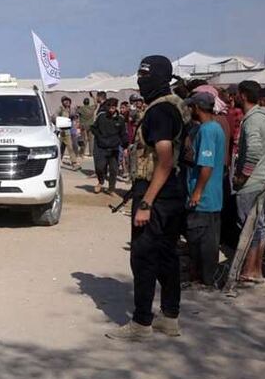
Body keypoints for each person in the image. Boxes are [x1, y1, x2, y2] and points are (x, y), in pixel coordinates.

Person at [107, 55, 186, 341]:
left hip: (156, 192)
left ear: (160, 78)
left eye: (145, 76)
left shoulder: (160, 112)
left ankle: (141, 323)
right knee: (167, 256)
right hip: (172, 192)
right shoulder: (174, 105)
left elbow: (163, 160)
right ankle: (170, 317)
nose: (141, 81)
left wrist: (146, 203)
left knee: (143, 258)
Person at [232, 80, 265, 283]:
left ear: (242, 95)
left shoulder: (252, 121)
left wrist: (242, 177)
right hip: (264, 181)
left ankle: (249, 270)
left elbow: (253, 152)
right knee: (260, 227)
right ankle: (256, 271)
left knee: (249, 227)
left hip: (251, 184)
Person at [183, 91, 227, 289]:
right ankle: (203, 276)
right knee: (207, 239)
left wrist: (197, 192)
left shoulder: (207, 131)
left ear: (197, 108)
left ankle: (203, 278)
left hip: (204, 197)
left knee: (201, 240)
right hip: (211, 196)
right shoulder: (213, 128)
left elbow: (206, 165)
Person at [90, 97, 127, 194]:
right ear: (107, 107)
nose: (111, 108)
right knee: (100, 167)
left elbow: (123, 134)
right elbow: (93, 128)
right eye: (110, 106)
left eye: (113, 106)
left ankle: (111, 189)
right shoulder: (101, 116)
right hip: (101, 147)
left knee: (114, 169)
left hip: (114, 147)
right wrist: (99, 136)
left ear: (116, 107)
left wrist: (125, 146)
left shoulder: (120, 119)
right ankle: (101, 181)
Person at [57, 96, 79, 168]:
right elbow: (54, 117)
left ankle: (72, 163)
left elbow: (74, 116)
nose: (67, 102)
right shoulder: (60, 109)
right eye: (65, 101)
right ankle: (74, 163)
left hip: (68, 130)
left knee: (65, 147)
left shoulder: (70, 109)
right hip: (62, 130)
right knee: (68, 147)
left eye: (68, 101)